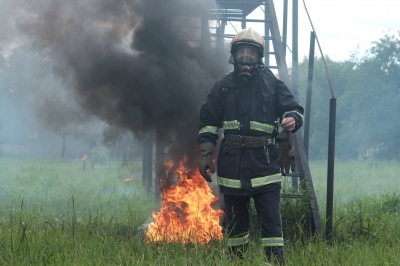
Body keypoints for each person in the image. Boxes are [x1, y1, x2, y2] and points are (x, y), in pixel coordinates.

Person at [197, 28, 304, 264]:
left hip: (265, 164)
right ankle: (237, 262)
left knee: (272, 228)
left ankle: (274, 263)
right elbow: (208, 122)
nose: (246, 57)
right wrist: (205, 153)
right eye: (241, 52)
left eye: (251, 53)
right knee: (235, 229)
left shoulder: (272, 84)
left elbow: (294, 108)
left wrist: (292, 119)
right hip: (232, 165)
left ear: (259, 57)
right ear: (233, 56)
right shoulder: (223, 86)